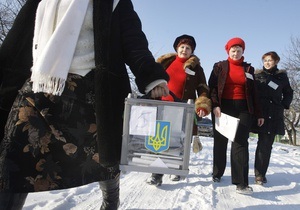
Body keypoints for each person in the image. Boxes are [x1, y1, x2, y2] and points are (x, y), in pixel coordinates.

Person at [0, 0, 170, 209]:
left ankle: (110, 202)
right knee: (12, 162)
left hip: (93, 94)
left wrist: (152, 77)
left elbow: (134, 42)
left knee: (104, 159)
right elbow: (16, 43)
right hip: (40, 88)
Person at [146, 34, 211, 186]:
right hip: (162, 107)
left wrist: (201, 105)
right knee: (160, 141)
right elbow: (151, 80)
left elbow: (203, 88)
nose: (184, 50)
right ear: (177, 48)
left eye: (188, 48)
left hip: (183, 109)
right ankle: (157, 174)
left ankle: (175, 168)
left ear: (192, 51)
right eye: (182, 47)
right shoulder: (165, 62)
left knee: (179, 141)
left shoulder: (196, 68)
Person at [208, 37, 264, 194]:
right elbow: (212, 88)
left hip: (244, 108)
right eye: (233, 50)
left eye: (239, 50)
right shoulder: (219, 67)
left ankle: (241, 183)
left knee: (240, 142)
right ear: (228, 51)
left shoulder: (248, 70)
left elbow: (254, 93)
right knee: (220, 141)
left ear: (243, 52)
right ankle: (217, 173)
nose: (236, 53)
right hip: (222, 107)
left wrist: (258, 113)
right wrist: (215, 105)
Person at [252, 51, 293, 185]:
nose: (267, 63)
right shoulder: (257, 75)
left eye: (270, 60)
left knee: (266, 145)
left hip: (274, 114)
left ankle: (260, 174)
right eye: (265, 60)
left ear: (276, 62)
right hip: (259, 112)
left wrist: (283, 105)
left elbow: (288, 92)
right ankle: (250, 171)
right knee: (257, 144)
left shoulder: (282, 77)